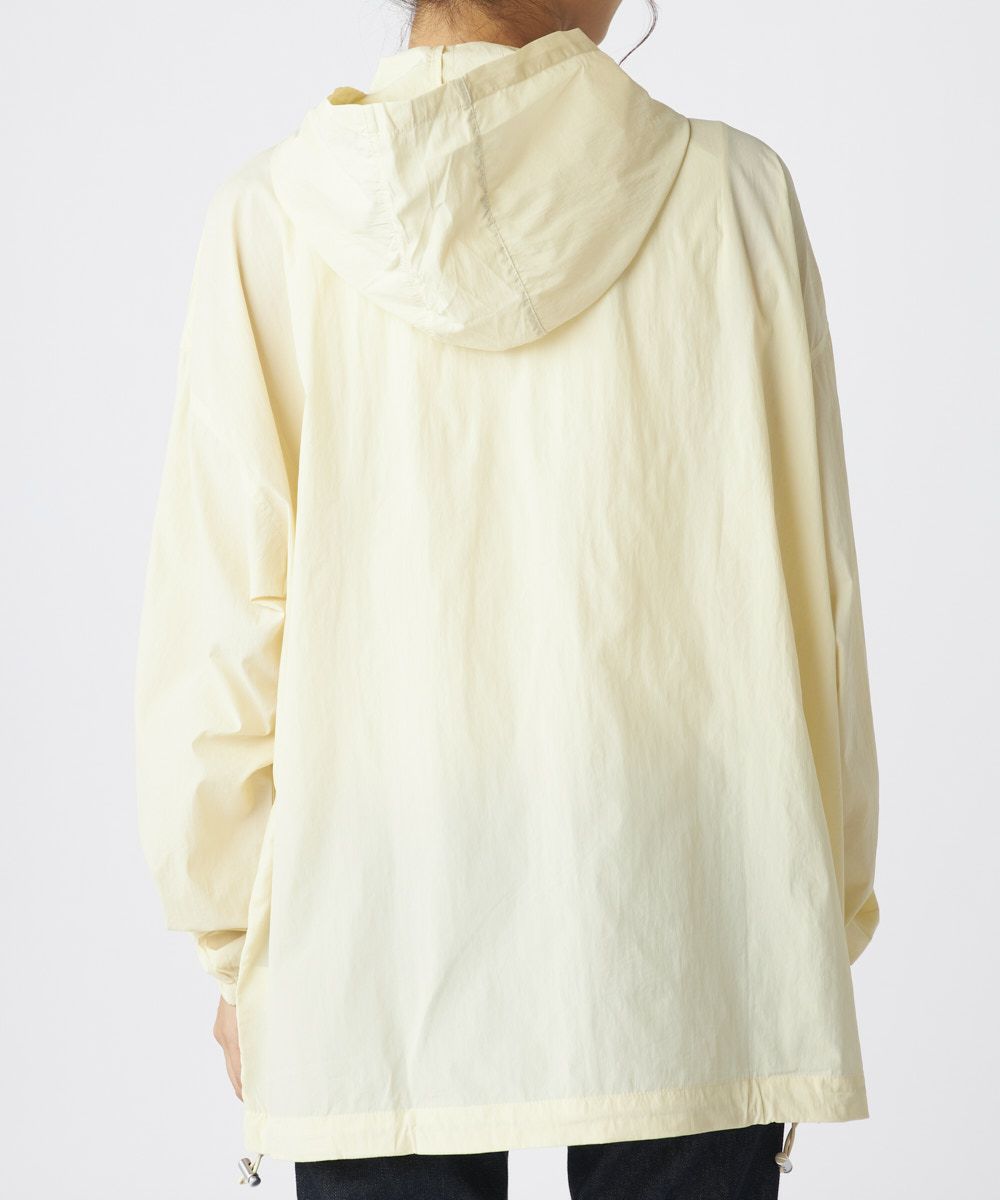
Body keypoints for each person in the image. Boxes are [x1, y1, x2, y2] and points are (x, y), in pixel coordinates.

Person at [133, 0, 881, 1196]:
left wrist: (243, 948)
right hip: (695, 891)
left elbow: (219, 637)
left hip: (371, 900)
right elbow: (813, 604)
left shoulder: (273, 219)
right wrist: (810, 917)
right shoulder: (737, 198)